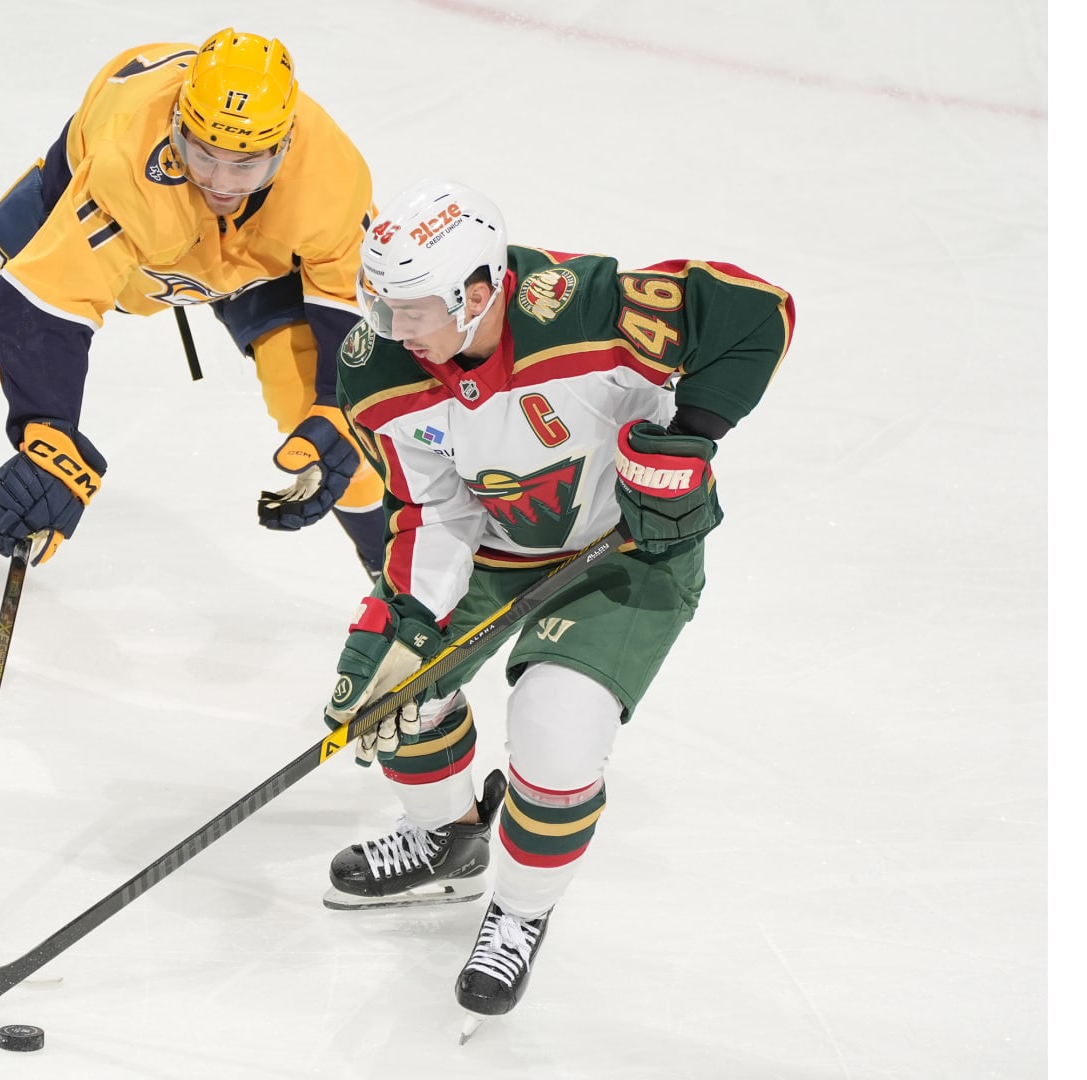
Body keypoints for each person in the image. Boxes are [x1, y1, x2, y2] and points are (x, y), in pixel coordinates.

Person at [316, 179, 795, 1032]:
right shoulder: (378, 369)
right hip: (497, 548)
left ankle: (521, 911)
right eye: (379, 304)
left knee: (557, 733)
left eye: (411, 309)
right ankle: (447, 838)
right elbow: (434, 510)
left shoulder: (590, 308)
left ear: (477, 292)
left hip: (628, 553)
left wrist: (690, 437)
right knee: (400, 685)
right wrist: (410, 621)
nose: (390, 328)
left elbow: (758, 313)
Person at [0, 29, 385, 574]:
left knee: (337, 417)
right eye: (203, 153)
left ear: (285, 146)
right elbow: (52, 300)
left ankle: (398, 563)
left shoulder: (328, 176)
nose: (219, 181)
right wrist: (49, 435)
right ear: (178, 125)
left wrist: (338, 412)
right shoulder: (126, 159)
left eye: (245, 164)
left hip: (258, 258)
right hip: (101, 211)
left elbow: (358, 312)